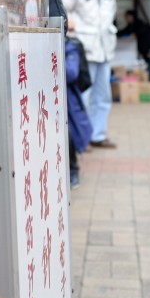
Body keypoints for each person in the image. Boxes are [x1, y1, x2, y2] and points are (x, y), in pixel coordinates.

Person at [61, 0, 118, 149]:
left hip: (105, 49)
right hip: (83, 49)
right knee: (83, 95)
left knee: (103, 96)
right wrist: (71, 23)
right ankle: (81, 137)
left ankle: (98, 135)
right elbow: (62, 9)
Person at [65, 36, 93, 188]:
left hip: (67, 100)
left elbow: (71, 73)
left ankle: (73, 170)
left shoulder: (69, 46)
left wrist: (49, 59)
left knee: (69, 133)